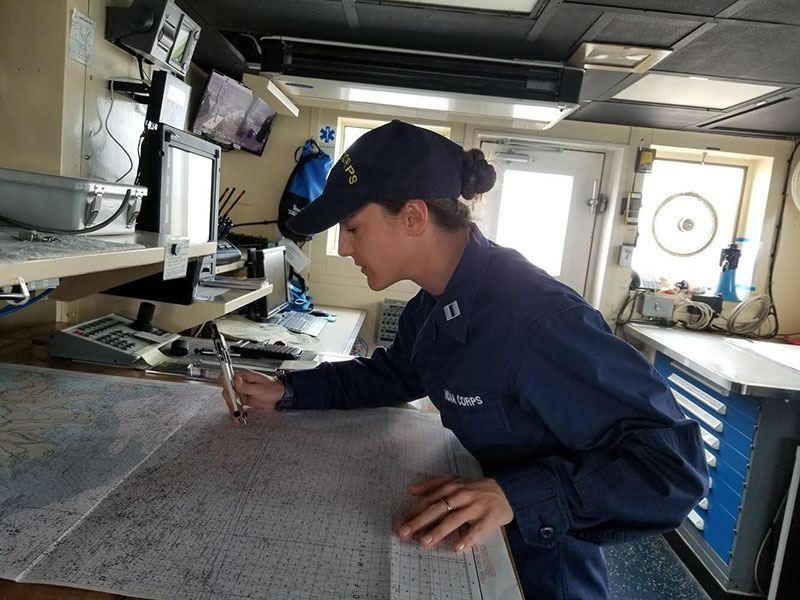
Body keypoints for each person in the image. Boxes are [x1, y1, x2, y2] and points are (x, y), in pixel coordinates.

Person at [220, 120, 708, 599]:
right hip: (478, 547)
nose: (344, 248)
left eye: (352, 228)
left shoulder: (531, 317)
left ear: (412, 218)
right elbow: (394, 375)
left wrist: (516, 495)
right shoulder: (433, 303)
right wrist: (291, 389)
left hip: (542, 571)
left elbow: (675, 470)